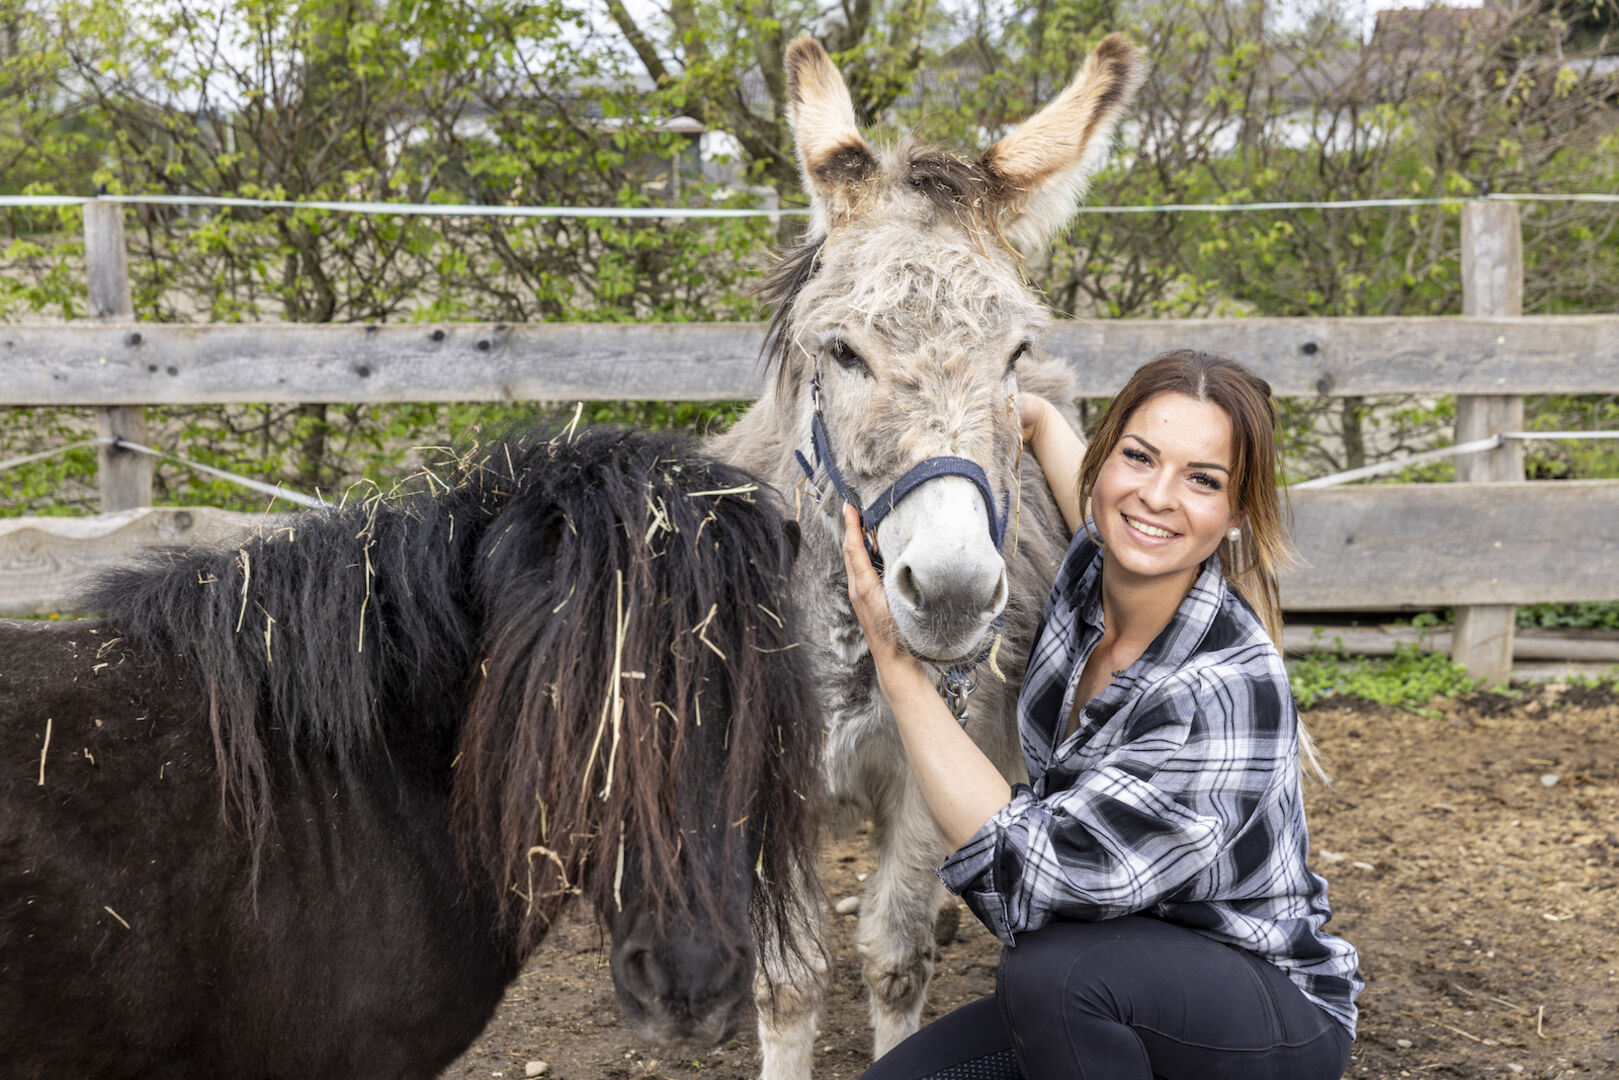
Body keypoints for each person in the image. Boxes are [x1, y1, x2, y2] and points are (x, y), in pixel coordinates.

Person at [841, 349, 1362, 1080]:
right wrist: (1034, 417)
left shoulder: (1223, 686)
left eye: (1202, 480)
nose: (1156, 496)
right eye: (1138, 456)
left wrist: (900, 669)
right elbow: (1101, 505)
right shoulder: (1094, 578)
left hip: (1258, 1011)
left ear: (1236, 512)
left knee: (1052, 970)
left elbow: (1029, 881)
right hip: (1119, 990)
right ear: (1103, 461)